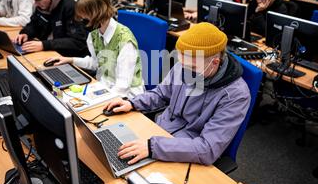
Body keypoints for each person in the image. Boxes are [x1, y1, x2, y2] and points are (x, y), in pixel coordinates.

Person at [104, 22, 251, 166]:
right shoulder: (185, 65)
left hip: (188, 153)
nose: (185, 71)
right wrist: (132, 103)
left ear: (214, 62)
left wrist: (153, 147)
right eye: (183, 64)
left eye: (192, 68)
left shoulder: (236, 95)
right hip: (158, 134)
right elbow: (161, 94)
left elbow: (207, 148)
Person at [46, 0, 144, 98]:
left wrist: (98, 101)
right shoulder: (94, 35)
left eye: (85, 18)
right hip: (106, 87)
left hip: (128, 96)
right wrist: (71, 60)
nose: (83, 22)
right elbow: (96, 63)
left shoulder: (125, 41)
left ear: (99, 14)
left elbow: (122, 86)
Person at [14, 0, 89, 57]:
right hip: (48, 52)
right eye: (34, 0)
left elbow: (77, 42)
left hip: (67, 57)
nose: (35, 4)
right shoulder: (41, 5)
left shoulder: (70, 7)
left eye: (38, 0)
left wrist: (44, 45)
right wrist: (25, 33)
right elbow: (34, 25)